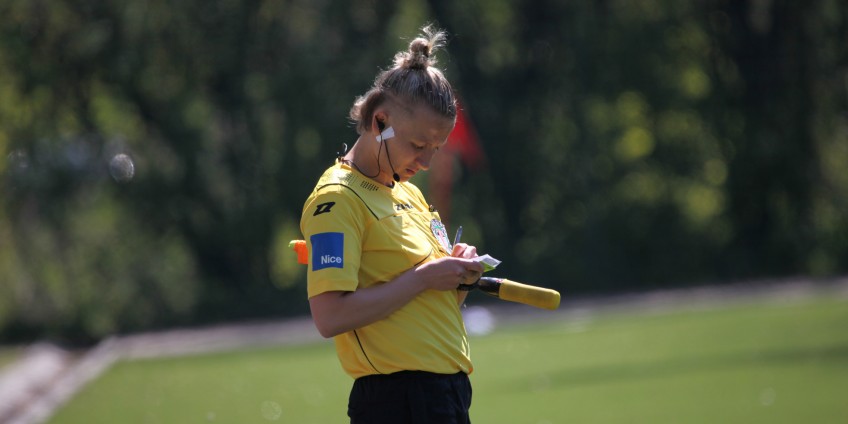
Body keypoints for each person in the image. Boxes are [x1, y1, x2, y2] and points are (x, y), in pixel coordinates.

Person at [299, 25, 484, 423]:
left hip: (447, 395)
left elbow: (421, 305)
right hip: (397, 401)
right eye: (418, 145)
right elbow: (329, 317)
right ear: (380, 121)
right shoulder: (337, 198)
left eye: (437, 148)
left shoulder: (410, 194)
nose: (427, 162)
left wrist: (455, 278)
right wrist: (424, 276)